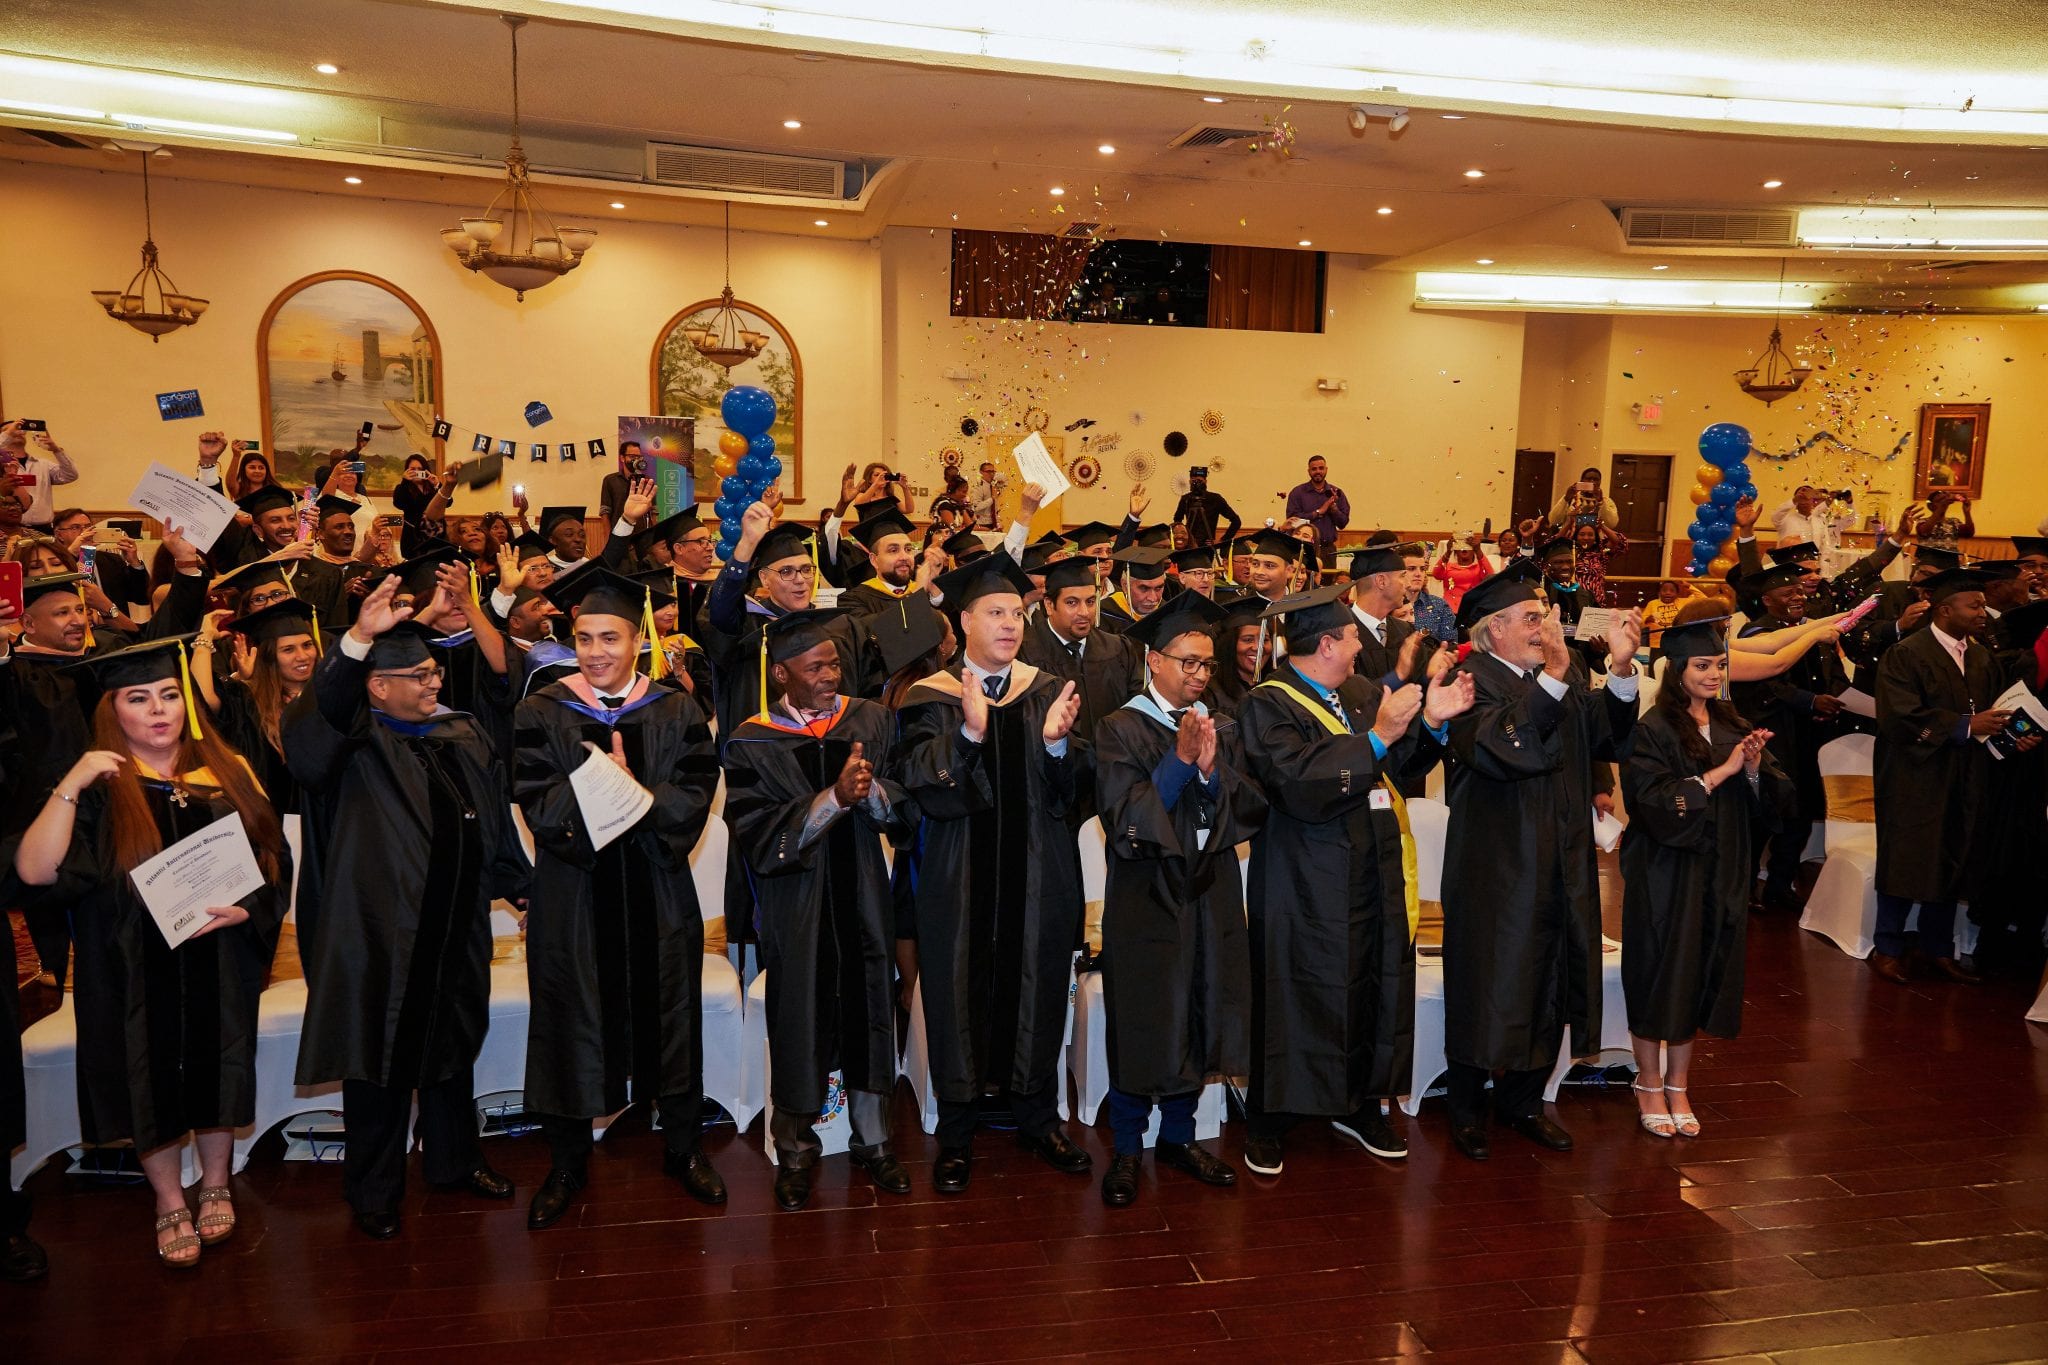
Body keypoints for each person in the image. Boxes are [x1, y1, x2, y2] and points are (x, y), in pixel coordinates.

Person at [6, 636, 289, 1267]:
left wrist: (250, 908)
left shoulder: (227, 770)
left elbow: (274, 857)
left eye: (168, 694)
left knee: (219, 1064)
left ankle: (215, 1182)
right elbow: (34, 871)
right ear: (113, 710)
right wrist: (72, 780)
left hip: (218, 955)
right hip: (130, 968)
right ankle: (167, 1199)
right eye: (138, 698)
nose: (159, 710)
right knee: (146, 1076)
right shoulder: (98, 788)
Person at [281, 579, 527, 1238]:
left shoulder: (460, 730)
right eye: (418, 675)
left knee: (452, 1048)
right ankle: (374, 1189)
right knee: (378, 1061)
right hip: (379, 934)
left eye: (434, 670)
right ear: (377, 686)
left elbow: (492, 821)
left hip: (455, 923)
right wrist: (358, 638)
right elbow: (319, 715)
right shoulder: (349, 744)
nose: (433, 681)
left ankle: (454, 1161)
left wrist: (520, 886)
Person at [1238, 583, 1474, 1176]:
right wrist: (1378, 737)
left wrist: (1433, 724)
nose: (1359, 649)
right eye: (1350, 638)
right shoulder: (1268, 704)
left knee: (1372, 982)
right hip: (1303, 876)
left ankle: (1361, 1104)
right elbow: (1295, 781)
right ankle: (1269, 1117)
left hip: (1372, 866)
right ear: (1325, 644)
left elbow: (1400, 763)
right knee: (1294, 990)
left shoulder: (1363, 692)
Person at [515, 567, 725, 1228]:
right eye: (584, 638)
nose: (596, 651)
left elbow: (695, 792)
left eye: (610, 637)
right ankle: (567, 1161)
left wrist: (634, 795)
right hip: (574, 894)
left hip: (657, 890)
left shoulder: (675, 709)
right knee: (570, 1017)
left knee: (673, 1015)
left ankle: (683, 1147)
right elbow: (536, 801)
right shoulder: (542, 709)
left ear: (637, 641)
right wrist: (600, 787)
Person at [890, 554, 1087, 1193]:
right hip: (958, 878)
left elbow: (1073, 796)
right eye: (994, 612)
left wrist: (1057, 746)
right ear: (965, 621)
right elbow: (916, 783)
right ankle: (957, 1131)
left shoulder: (1048, 690)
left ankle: (1038, 1118)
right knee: (956, 995)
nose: (1009, 624)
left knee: (1038, 987)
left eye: (1016, 614)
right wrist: (968, 738)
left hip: (1039, 876)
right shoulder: (931, 696)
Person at [1440, 565, 1642, 1161]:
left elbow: (1603, 736)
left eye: (1545, 616)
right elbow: (1503, 748)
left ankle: (1524, 1102)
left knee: (1551, 979)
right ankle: (1466, 1109)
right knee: (1490, 983)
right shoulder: (1466, 679)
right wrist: (1553, 674)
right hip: (1497, 866)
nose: (1545, 626)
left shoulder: (1563, 671)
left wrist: (1620, 670)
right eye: (1532, 618)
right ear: (1494, 629)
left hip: (1564, 856)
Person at [721, 610, 911, 1210]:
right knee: (798, 1016)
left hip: (863, 898)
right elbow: (757, 835)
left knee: (870, 1009)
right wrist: (834, 797)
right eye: (814, 667)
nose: (830, 675)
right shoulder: (751, 741)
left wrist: (872, 794)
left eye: (833, 663)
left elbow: (904, 808)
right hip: (796, 904)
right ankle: (796, 1151)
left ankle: (874, 1142)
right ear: (781, 674)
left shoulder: (871, 720)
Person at [1092, 592, 1266, 1205]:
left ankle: (1179, 1137)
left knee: (1201, 1005)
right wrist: (1180, 761)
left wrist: (1212, 772)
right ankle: (1127, 1146)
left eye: (1206, 664)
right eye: (1187, 662)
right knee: (1146, 1017)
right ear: (1154, 661)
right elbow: (1123, 818)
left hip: (1210, 889)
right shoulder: (1118, 727)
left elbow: (1249, 804)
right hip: (1147, 897)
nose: (1198, 674)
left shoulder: (1222, 722)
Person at [1619, 617, 1791, 1139]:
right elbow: (1650, 803)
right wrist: (1721, 773)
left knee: (1699, 972)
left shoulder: (1733, 723)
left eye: (1719, 664)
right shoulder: (1653, 729)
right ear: (1676, 670)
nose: (1713, 674)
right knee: (1659, 972)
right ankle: (1648, 1082)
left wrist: (1754, 768)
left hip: (1721, 870)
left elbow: (1774, 801)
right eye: (1702, 665)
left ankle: (1679, 1084)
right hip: (1666, 872)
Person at [1869, 568, 2044, 985]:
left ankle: (1938, 948)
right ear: (1945, 610)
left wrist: (2014, 734)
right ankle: (1887, 947)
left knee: (1954, 854)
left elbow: (1998, 709)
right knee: (1908, 856)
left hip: (1967, 773)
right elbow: (1898, 717)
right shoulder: (1907, 653)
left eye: (1983, 605)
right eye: (1974, 606)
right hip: (1916, 774)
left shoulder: (1981, 656)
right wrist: (1966, 725)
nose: (1983, 613)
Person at [1728, 563, 1853, 911]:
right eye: (1788, 593)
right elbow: (1770, 675)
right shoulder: (1757, 634)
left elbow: (1832, 675)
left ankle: (1780, 886)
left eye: (1800, 591)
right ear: (1768, 600)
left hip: (1810, 737)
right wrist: (1810, 700)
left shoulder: (1817, 631)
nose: (1798, 597)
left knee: (1799, 817)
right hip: (1774, 734)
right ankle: (1744, 889)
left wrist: (1835, 700)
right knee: (1763, 815)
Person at [1019, 556, 1145, 747]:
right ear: (1049, 605)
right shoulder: (1025, 654)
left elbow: (1136, 708)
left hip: (1114, 758)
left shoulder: (1118, 648)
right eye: (1072, 602)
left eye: (1090, 601)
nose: (1084, 612)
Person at [0, 421, 79, 533]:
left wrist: (56, 450)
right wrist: (7, 435)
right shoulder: (2, 465)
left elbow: (71, 475)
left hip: (44, 529)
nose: (16, 432)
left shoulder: (43, 464)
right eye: (11, 430)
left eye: (20, 429)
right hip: (9, 529)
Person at [1202, 596, 1272, 717]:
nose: (1258, 647)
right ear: (1230, 644)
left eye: (1264, 640)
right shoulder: (1210, 694)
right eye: (1248, 639)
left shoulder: (1276, 688)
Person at [1281, 457, 1349, 570]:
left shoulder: (1336, 492)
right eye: (1314, 469)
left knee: (1327, 581)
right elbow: (1292, 521)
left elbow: (1343, 523)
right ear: (1309, 471)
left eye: (1321, 468)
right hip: (1302, 549)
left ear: (1326, 470)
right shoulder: (1298, 492)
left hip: (1327, 551)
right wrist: (1318, 512)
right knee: (1301, 579)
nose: (1318, 471)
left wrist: (1334, 509)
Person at [1096, 545, 1172, 634]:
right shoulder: (1104, 613)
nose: (1152, 598)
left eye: (1158, 588)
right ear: (1125, 585)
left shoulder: (1169, 612)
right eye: (1144, 588)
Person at [1171, 466, 1241, 548]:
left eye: (1199, 481)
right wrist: (1182, 537)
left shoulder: (1215, 499)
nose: (1196, 484)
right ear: (1189, 482)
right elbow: (1177, 520)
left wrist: (1222, 541)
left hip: (1207, 546)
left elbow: (1236, 521)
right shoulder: (1186, 499)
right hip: (1189, 546)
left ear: (1205, 481)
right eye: (1194, 481)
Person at [1429, 534, 1491, 613]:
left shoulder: (1479, 568)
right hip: (1449, 611)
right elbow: (1436, 574)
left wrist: (1478, 550)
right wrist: (1448, 552)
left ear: (1473, 550)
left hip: (1471, 610)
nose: (1464, 549)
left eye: (1468, 545)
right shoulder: (1448, 566)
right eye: (1460, 545)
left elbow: (1490, 576)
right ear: (1455, 550)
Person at [1548, 466, 1619, 532]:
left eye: (1596, 479)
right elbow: (1553, 520)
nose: (1592, 482)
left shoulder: (1606, 501)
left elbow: (1612, 524)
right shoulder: (1571, 498)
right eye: (1588, 479)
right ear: (1582, 480)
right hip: (1571, 539)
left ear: (1600, 482)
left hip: (1596, 540)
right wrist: (1566, 498)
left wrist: (1601, 501)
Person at [970, 461, 1002, 530]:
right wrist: (992, 499)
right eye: (988, 471)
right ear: (981, 472)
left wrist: (998, 523)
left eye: (993, 471)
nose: (992, 474)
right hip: (981, 524)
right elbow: (976, 507)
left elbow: (994, 508)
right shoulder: (978, 487)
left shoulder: (993, 486)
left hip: (994, 523)